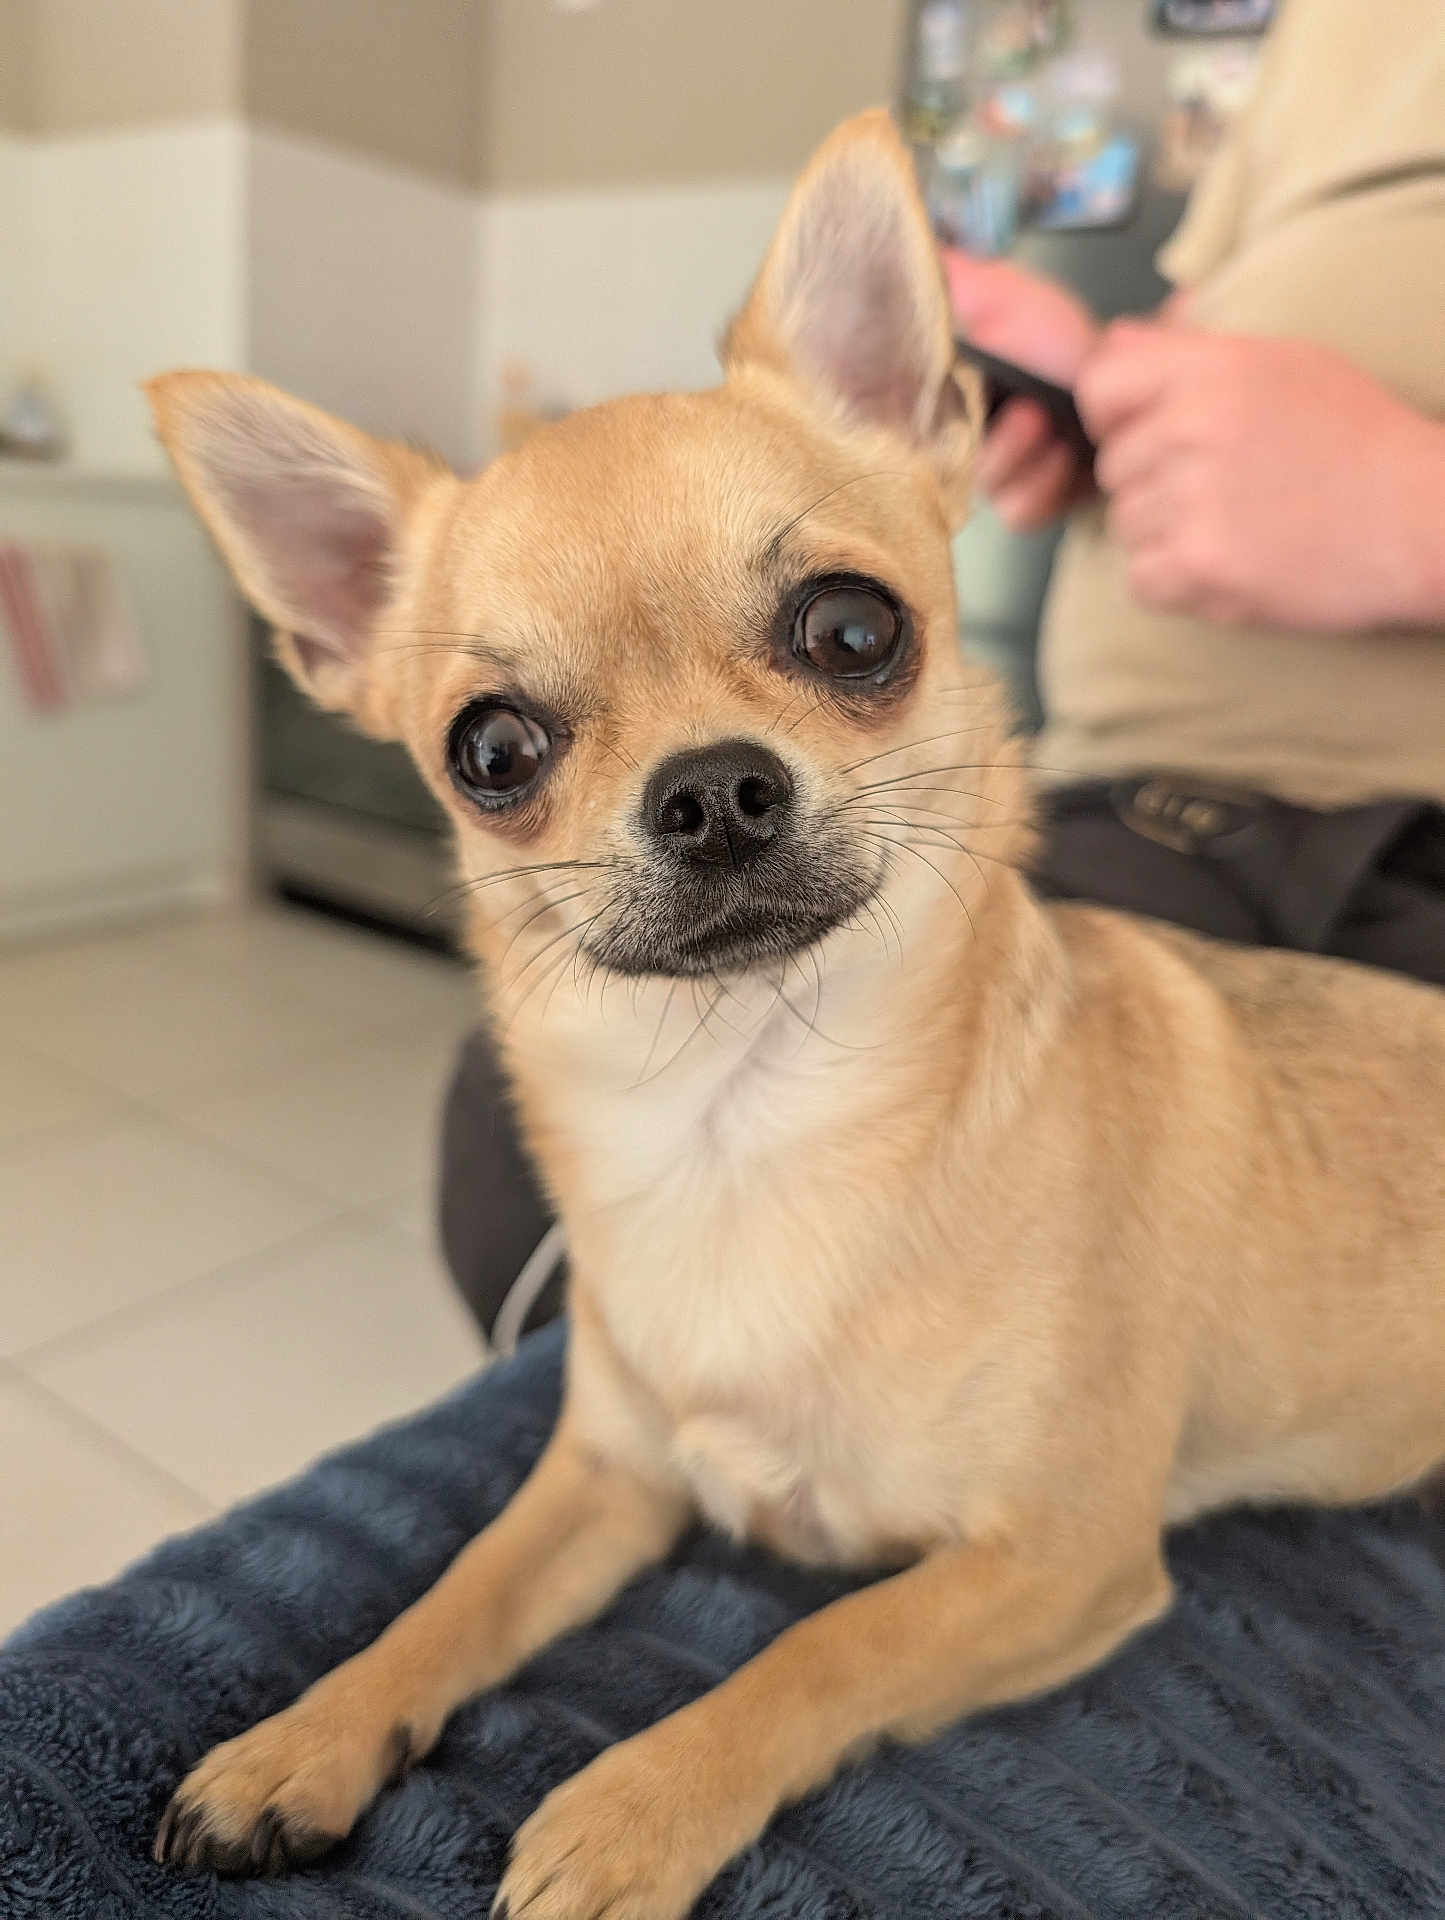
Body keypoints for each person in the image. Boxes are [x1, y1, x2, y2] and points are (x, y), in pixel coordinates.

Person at [441, 0, 1445, 1346]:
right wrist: (1103, 395)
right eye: (510, 751)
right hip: (1137, 810)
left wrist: (1410, 514)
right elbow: (1214, 348)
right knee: (525, 1159)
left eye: (838, 639)